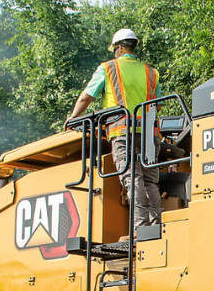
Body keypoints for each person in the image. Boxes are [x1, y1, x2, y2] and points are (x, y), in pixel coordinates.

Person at [68, 28, 163, 227]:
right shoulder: (151, 72)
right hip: (149, 135)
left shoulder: (107, 68)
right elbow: (158, 104)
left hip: (122, 133)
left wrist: (73, 118)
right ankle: (155, 225)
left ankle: (140, 228)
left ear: (119, 48)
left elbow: (86, 97)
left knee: (133, 179)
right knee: (150, 182)